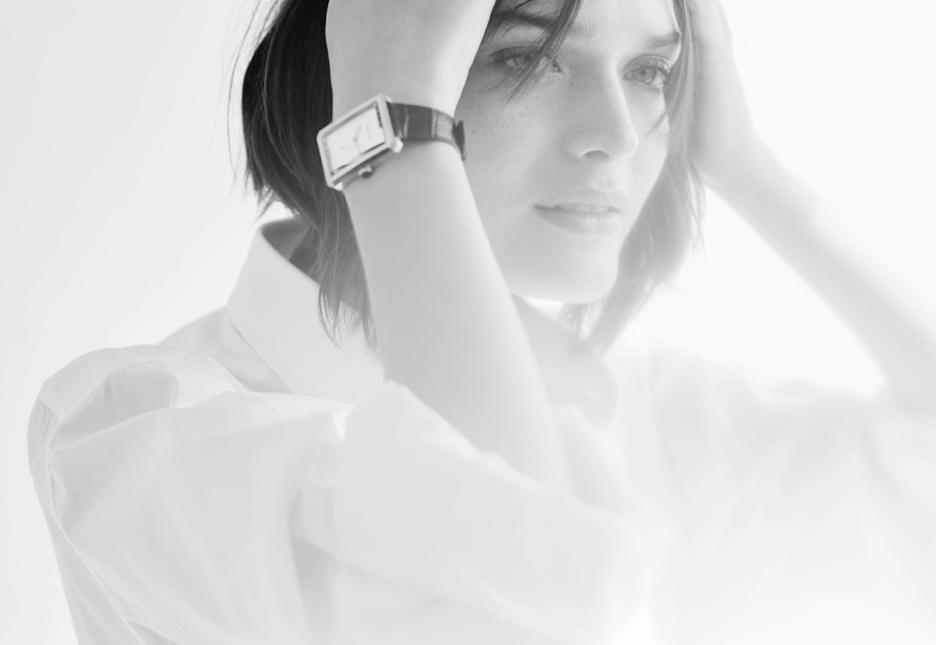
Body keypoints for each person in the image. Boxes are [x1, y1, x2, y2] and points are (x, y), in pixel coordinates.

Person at [28, 0, 936, 643]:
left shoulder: (618, 392)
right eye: (523, 58)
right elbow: (499, 603)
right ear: (368, 61)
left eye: (650, 72)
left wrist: (743, 165)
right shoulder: (136, 432)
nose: (619, 134)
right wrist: (389, 130)